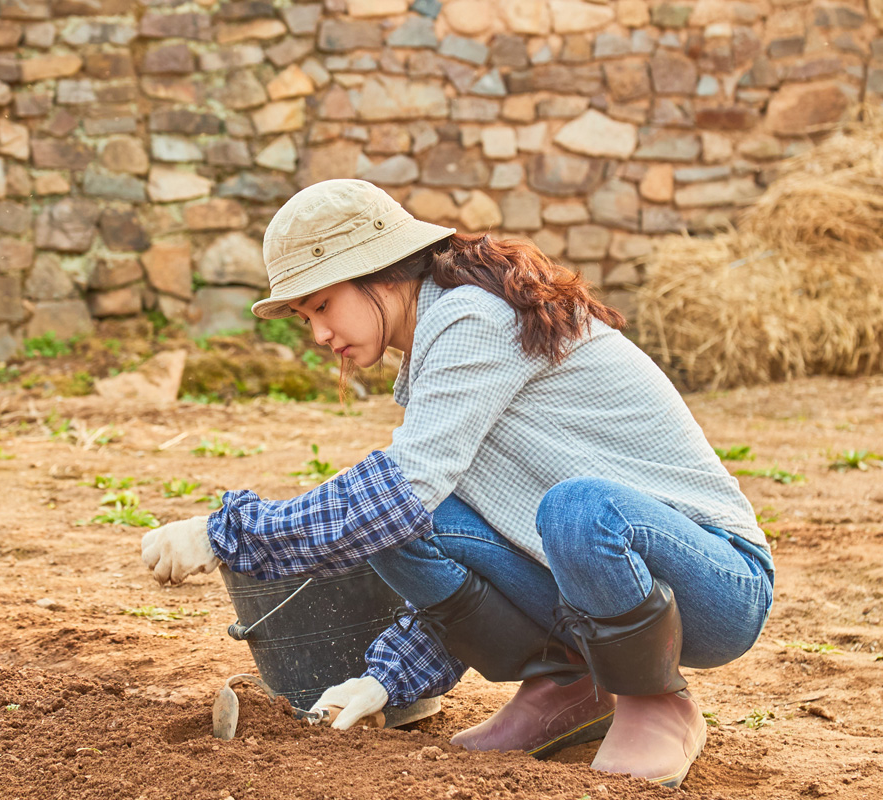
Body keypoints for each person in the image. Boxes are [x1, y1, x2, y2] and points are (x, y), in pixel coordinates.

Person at [141, 179, 774, 788]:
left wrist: (225, 534)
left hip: (716, 583)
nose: (320, 335)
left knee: (574, 508)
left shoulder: (473, 318)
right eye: (307, 316)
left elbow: (397, 490)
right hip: (584, 578)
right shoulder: (432, 354)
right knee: (405, 525)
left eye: (324, 306)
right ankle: (569, 683)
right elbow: (414, 518)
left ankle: (655, 701)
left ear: (378, 272)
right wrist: (386, 678)